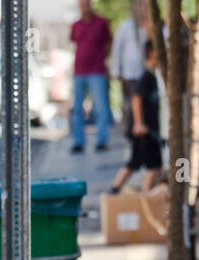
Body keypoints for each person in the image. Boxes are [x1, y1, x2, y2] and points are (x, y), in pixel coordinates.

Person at [108, 41, 161, 194]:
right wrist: (138, 123)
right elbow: (136, 98)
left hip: (150, 130)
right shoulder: (147, 77)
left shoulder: (154, 76)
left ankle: (117, 189)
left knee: (140, 163)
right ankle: (143, 196)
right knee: (148, 165)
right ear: (151, 53)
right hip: (144, 130)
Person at [70, 0, 113, 154]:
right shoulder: (75, 25)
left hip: (97, 71)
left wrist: (102, 60)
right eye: (82, 5)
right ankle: (78, 141)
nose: (85, 8)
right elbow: (75, 44)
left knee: (100, 107)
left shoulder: (101, 23)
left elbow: (108, 44)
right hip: (79, 71)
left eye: (87, 5)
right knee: (77, 108)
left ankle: (101, 140)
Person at [111, 0, 148, 138]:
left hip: (146, 73)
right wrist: (116, 71)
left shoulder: (150, 27)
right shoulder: (125, 27)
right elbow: (116, 49)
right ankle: (133, 132)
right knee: (132, 106)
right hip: (130, 73)